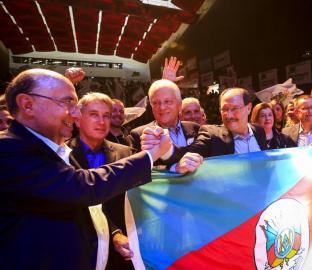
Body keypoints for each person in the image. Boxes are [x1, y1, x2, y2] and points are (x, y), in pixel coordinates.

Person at [0, 68, 172, 270]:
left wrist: (114, 234)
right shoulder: (9, 149)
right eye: (67, 102)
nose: (75, 112)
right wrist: (149, 156)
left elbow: (88, 210)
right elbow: (84, 188)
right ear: (28, 105)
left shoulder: (54, 150)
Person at [67, 92, 138, 270]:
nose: (101, 121)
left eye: (106, 115)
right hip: (78, 249)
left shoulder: (126, 153)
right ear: (77, 120)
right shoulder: (62, 155)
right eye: (94, 115)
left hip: (122, 252)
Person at [143, 88, 268, 169]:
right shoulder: (212, 135)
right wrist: (165, 149)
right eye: (224, 109)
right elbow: (187, 152)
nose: (229, 115)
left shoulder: (259, 131)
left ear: (249, 108)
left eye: (234, 109)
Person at [129, 79, 200, 153]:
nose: (162, 107)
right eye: (156, 103)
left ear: (179, 104)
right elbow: (137, 164)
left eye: (167, 101)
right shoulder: (139, 135)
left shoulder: (195, 128)